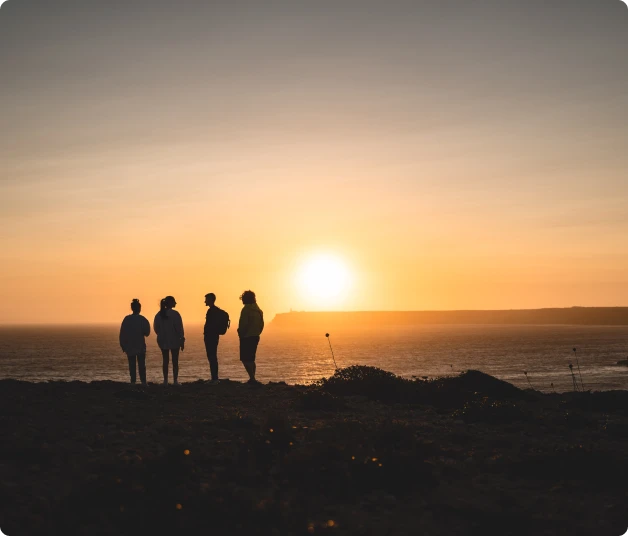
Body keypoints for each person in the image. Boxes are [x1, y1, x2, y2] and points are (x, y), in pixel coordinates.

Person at [153, 296, 185, 385]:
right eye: (174, 302)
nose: (175, 303)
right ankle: (175, 380)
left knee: (165, 360)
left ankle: (165, 380)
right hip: (174, 340)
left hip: (162, 340)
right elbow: (179, 328)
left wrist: (161, 334)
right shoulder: (175, 314)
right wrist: (181, 339)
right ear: (171, 303)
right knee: (175, 361)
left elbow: (156, 328)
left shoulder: (159, 314)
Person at [119, 299, 151, 385]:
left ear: (132, 308)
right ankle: (143, 381)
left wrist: (123, 345)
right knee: (141, 365)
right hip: (140, 346)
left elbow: (122, 333)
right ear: (139, 308)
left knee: (132, 365)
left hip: (130, 346)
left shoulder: (127, 319)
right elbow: (147, 333)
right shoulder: (143, 319)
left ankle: (133, 381)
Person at [237, 290, 264, 384]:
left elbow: (243, 324)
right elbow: (261, 325)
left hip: (246, 337)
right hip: (255, 336)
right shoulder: (259, 310)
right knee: (251, 359)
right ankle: (253, 378)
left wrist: (240, 333)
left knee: (245, 359)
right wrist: (257, 332)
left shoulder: (246, 310)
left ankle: (252, 378)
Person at [203, 292, 229, 382]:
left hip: (210, 337)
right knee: (213, 356)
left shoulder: (211, 311)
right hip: (214, 336)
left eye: (206, 299)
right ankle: (214, 377)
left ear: (210, 300)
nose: (204, 301)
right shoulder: (216, 310)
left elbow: (209, 325)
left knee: (212, 356)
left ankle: (214, 378)